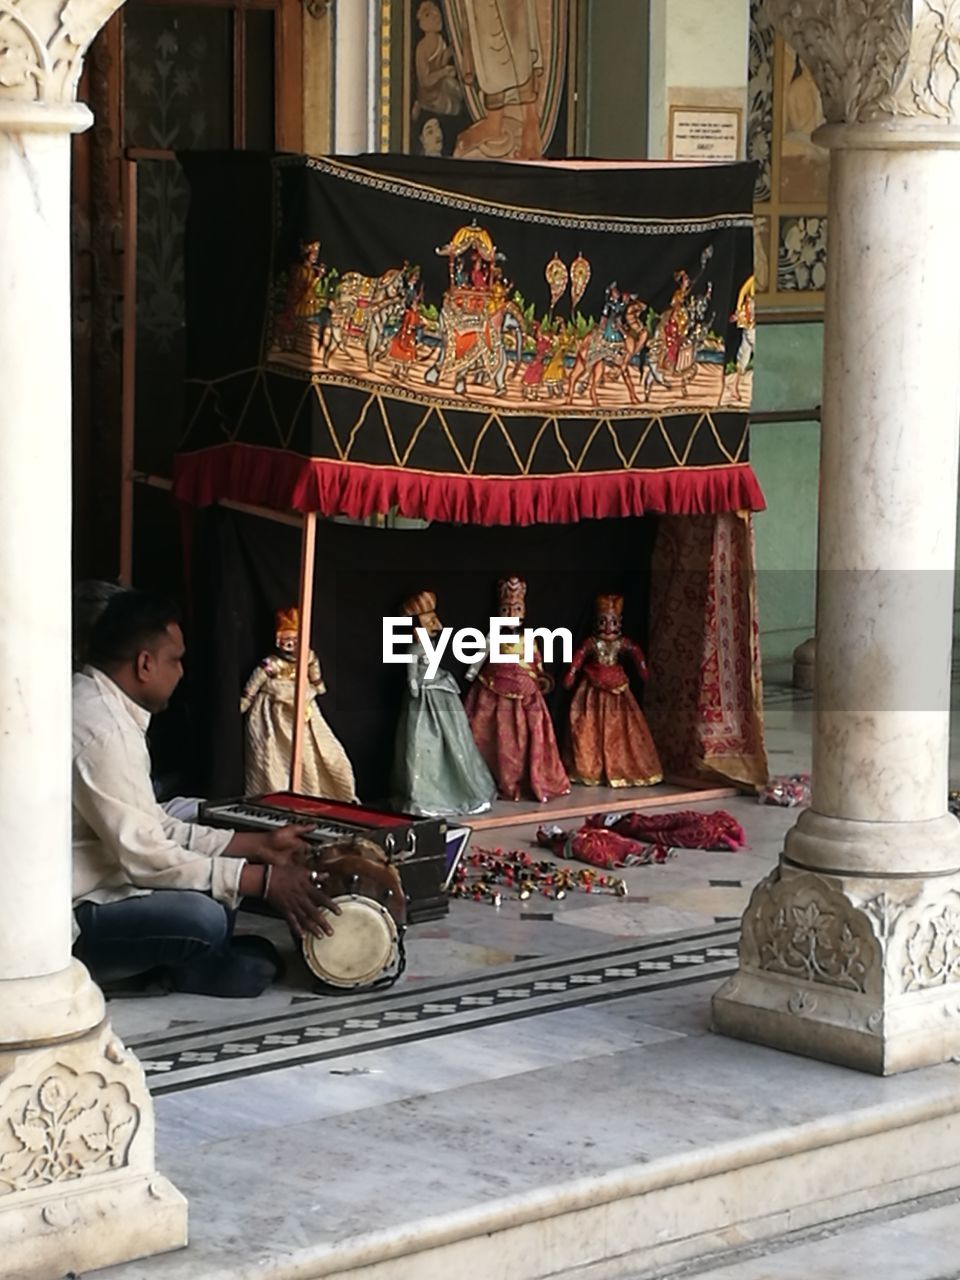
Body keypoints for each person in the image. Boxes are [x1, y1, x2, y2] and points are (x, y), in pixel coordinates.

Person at [72, 591, 341, 998]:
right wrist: (261, 880)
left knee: (216, 900)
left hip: (104, 883)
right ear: (145, 664)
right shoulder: (102, 730)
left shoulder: (98, 704)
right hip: (61, 916)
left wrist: (255, 845)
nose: (181, 672)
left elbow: (153, 823)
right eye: (175, 659)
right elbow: (145, 855)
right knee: (204, 919)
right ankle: (158, 972)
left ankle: (182, 963)